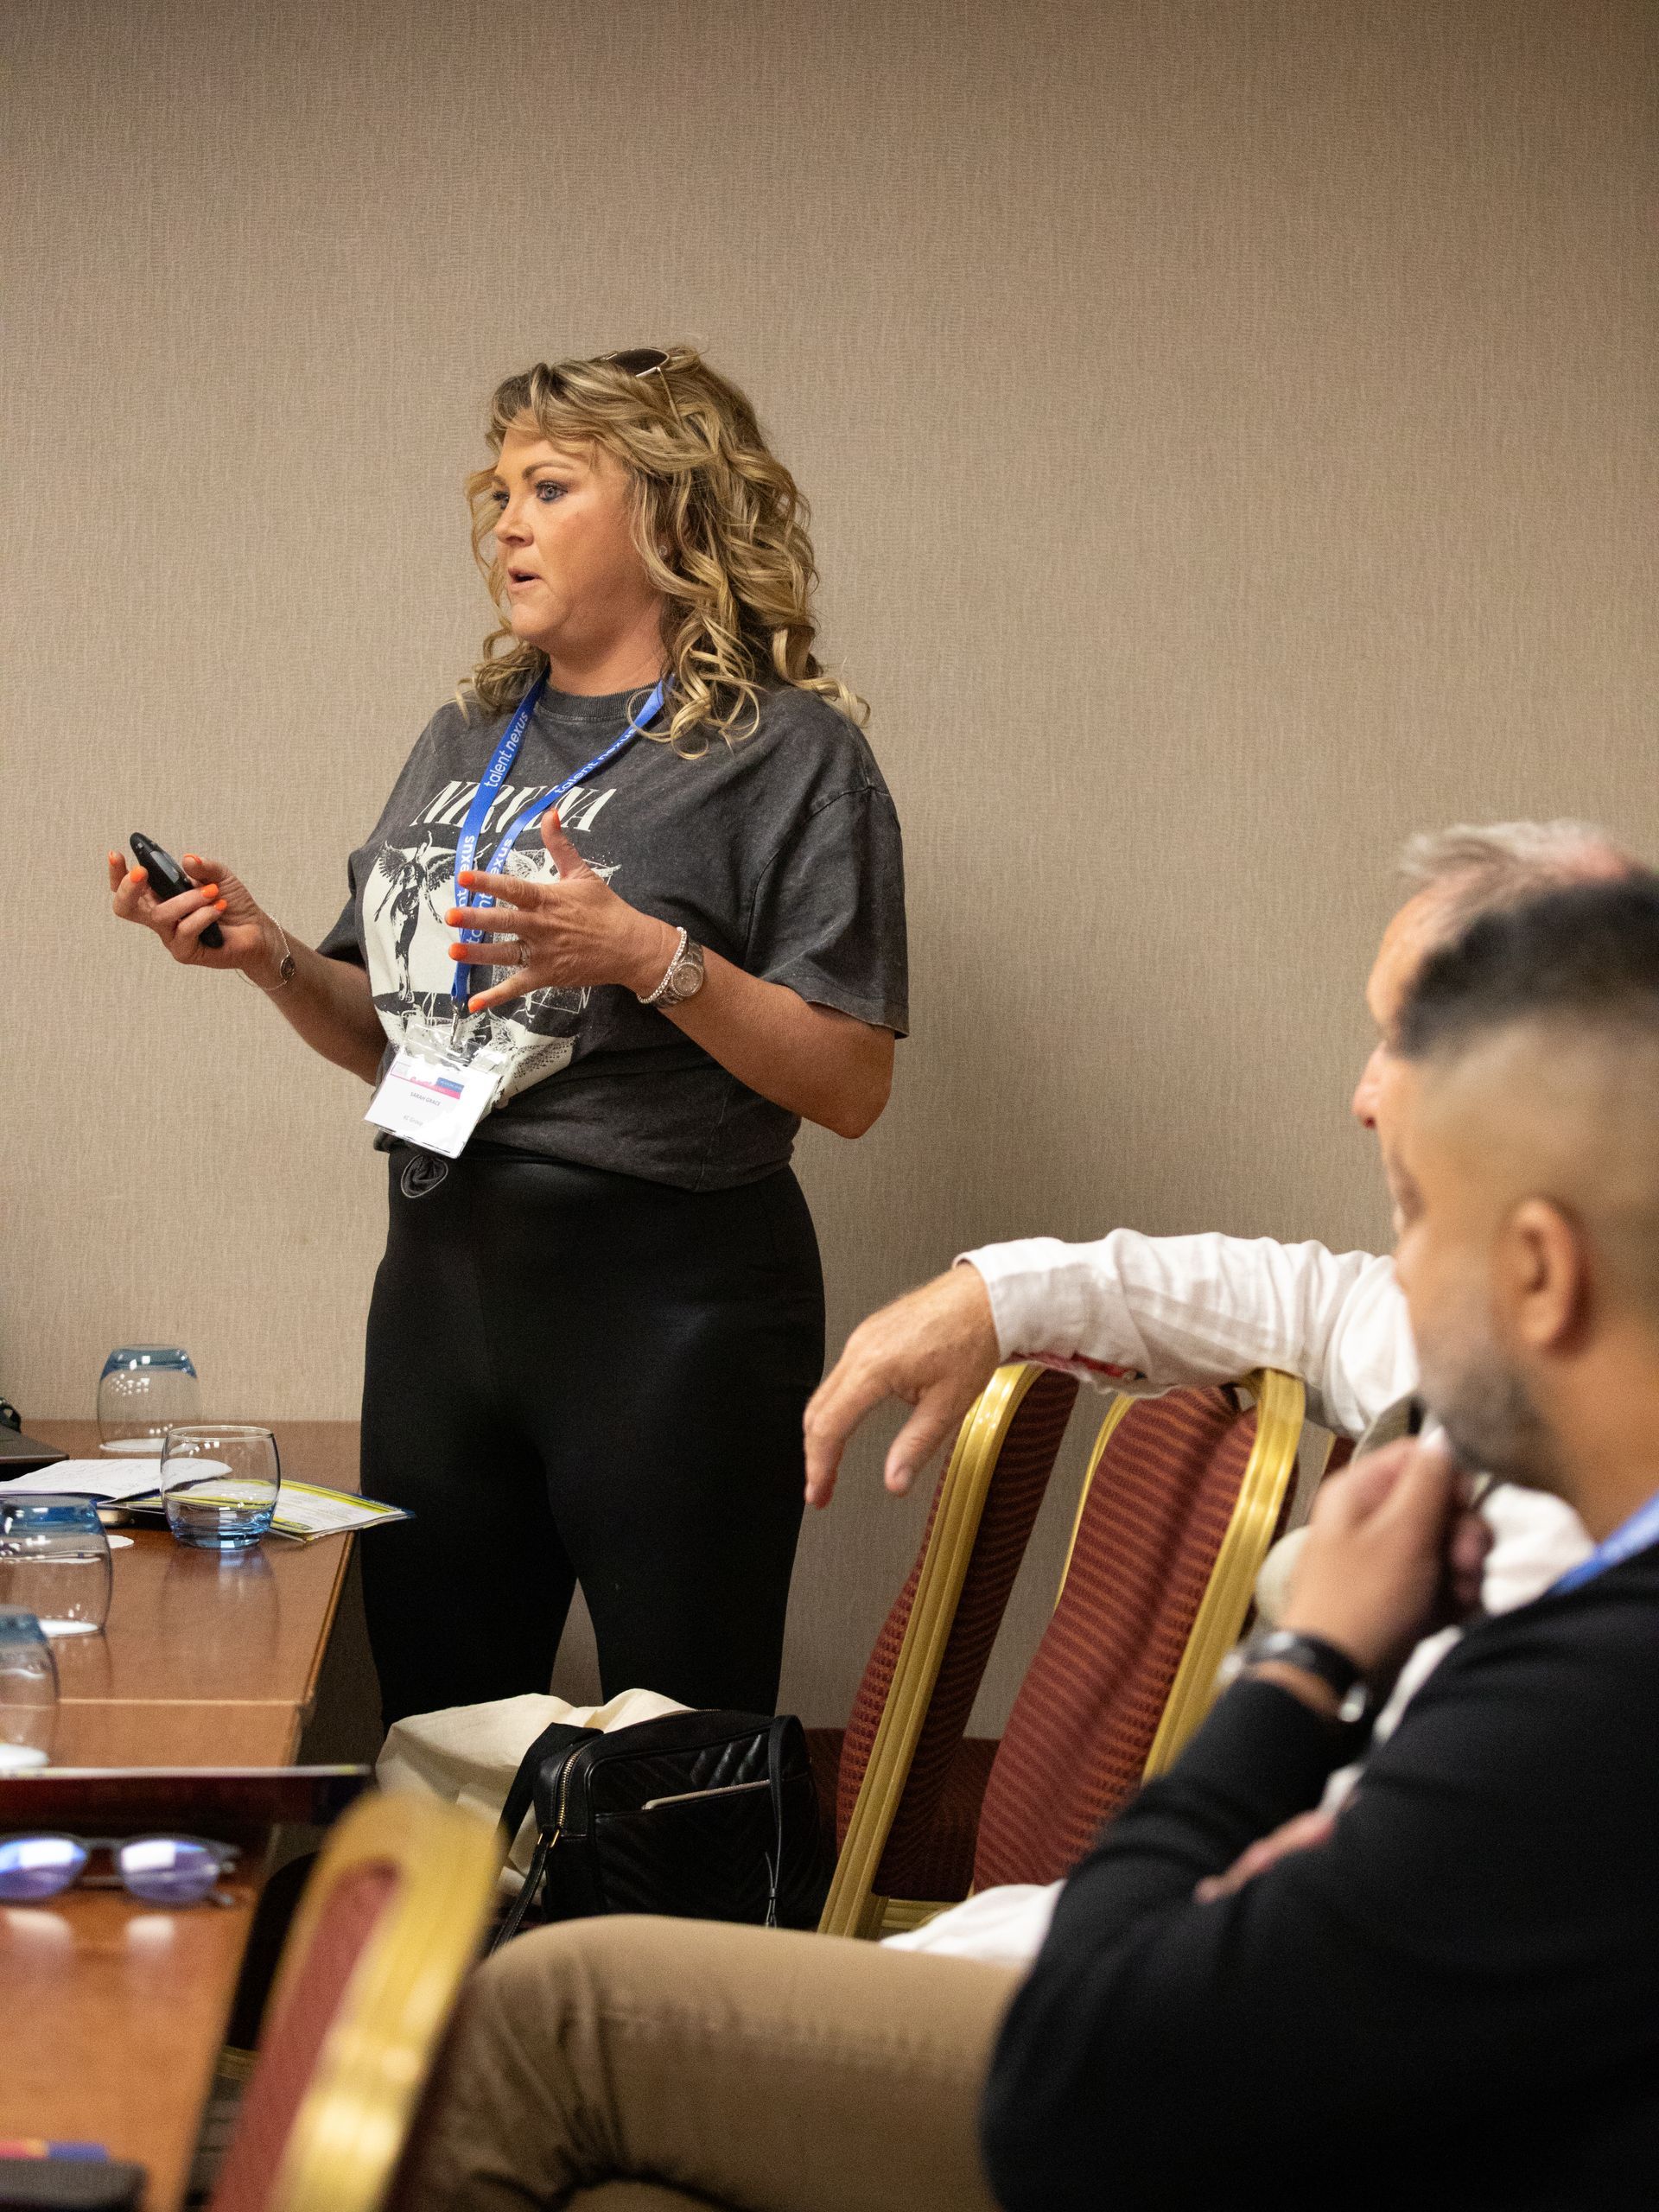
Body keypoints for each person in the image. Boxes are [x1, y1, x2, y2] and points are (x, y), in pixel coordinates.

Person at [398, 874, 1659, 2212]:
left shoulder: (1588, 1691)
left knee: (556, 2011)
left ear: (1540, 1271)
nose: (1385, 1280)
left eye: (1414, 1221)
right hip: (1230, 2032)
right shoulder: (1571, 1603)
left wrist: (1304, 1675)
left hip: (1183, 2088)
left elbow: (1101, 2066)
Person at [108, 346, 907, 1725]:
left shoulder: (788, 754)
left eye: (548, 486)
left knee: (673, 1751)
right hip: (440, 1294)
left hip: (672, 1309)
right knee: (436, 1736)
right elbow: (391, 1034)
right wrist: (270, 955)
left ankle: (666, 1959)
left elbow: (852, 1084)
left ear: (669, 511)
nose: (506, 524)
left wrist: (650, 957)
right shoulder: (468, 733)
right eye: (498, 493)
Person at [810, 817, 1634, 1970]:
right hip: (1215, 1960)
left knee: (572, 2016)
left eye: (1400, 1044)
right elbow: (1310, 1297)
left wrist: (1310, 1659)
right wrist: (998, 1295)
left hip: (1255, 2004)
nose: (1362, 1098)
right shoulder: (1501, 1336)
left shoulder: (1595, 1577)